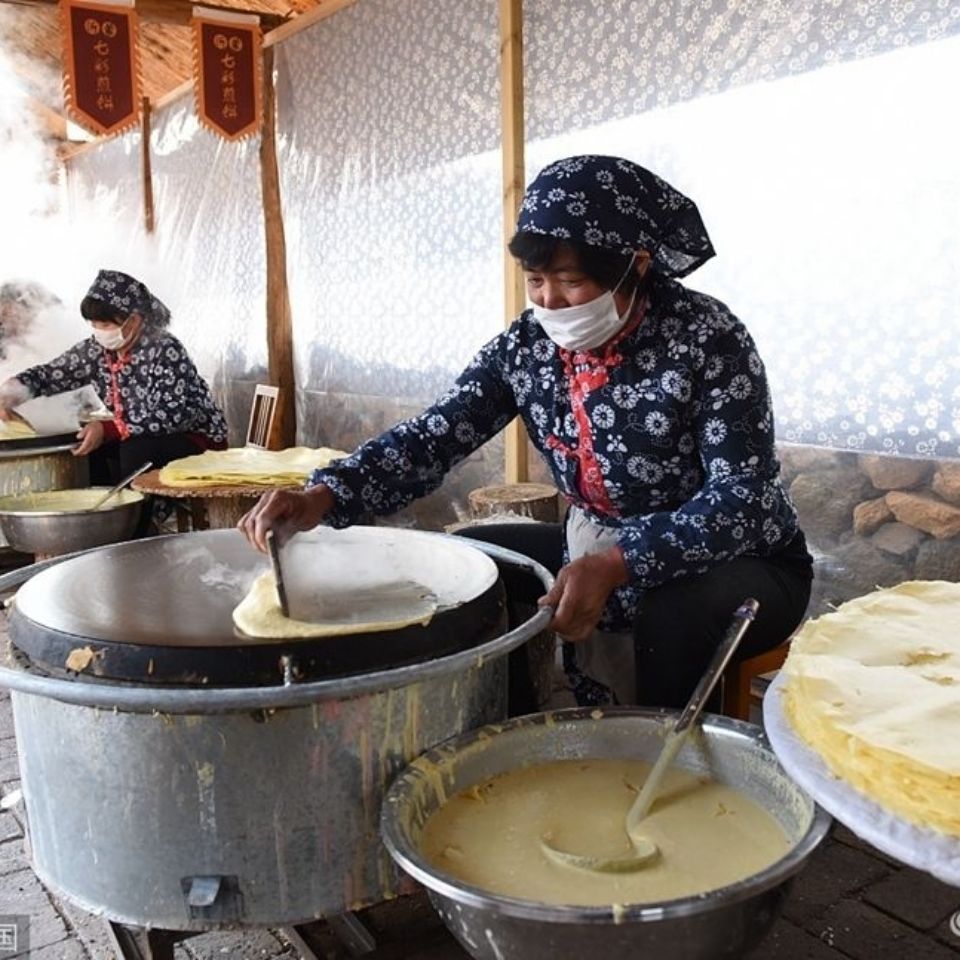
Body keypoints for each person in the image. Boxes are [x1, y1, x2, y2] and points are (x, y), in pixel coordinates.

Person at [239, 155, 812, 711]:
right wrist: (326, 494)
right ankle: (519, 731)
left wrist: (618, 563)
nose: (549, 301)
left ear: (635, 263)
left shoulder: (708, 338)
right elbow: (435, 435)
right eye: (535, 281)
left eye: (570, 281)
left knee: (674, 611)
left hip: (743, 564)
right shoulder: (528, 349)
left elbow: (740, 500)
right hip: (590, 545)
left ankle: (662, 768)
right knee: (471, 567)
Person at [0, 269, 228, 495]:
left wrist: (111, 428)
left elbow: (173, 415)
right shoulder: (96, 351)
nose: (99, 332)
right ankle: (102, 513)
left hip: (194, 440)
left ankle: (137, 524)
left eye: (106, 325)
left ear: (134, 320)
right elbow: (51, 374)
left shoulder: (165, 349)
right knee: (85, 444)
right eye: (95, 324)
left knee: (135, 449)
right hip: (138, 435)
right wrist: (15, 390)